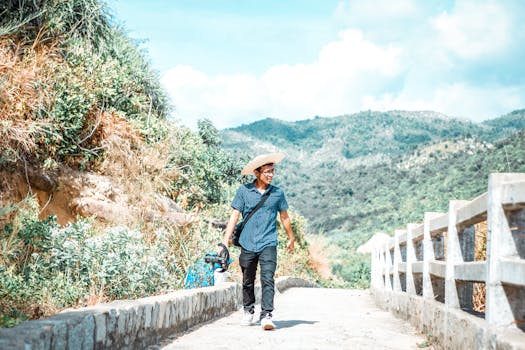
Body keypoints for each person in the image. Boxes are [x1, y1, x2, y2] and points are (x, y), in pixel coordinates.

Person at [219, 152, 295, 330]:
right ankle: (248, 311)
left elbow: (284, 217)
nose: (271, 175)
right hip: (247, 242)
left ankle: (267, 315)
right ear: (257, 172)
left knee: (268, 278)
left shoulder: (277, 193)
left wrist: (291, 237)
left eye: (272, 171)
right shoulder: (244, 191)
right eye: (267, 171)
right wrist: (225, 239)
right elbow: (234, 215)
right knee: (247, 279)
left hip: (269, 242)